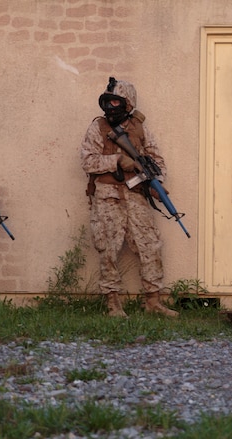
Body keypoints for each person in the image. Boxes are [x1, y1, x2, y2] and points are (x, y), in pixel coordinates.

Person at [80, 77, 178, 318]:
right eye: (109, 101)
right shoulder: (97, 128)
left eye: (117, 101)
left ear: (128, 103)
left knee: (150, 245)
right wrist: (116, 160)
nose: (111, 107)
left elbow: (158, 160)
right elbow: (87, 161)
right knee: (108, 249)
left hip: (135, 195)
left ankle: (153, 301)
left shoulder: (140, 128)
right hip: (107, 196)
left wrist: (156, 181)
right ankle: (113, 303)